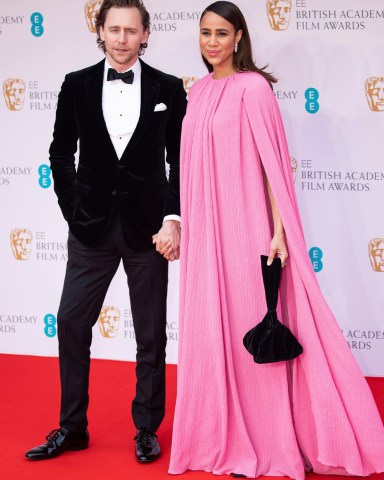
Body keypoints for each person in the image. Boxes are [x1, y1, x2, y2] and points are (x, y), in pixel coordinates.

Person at [169, 2, 384, 479]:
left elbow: (273, 162)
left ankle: (269, 439)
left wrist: (280, 230)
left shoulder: (254, 88)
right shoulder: (198, 91)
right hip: (206, 230)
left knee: (252, 321)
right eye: (205, 32)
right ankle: (213, 437)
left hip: (247, 223)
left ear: (239, 38)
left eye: (222, 33)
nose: (211, 42)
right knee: (212, 326)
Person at [25, 0, 186, 463]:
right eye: (113, 29)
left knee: (151, 333)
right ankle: (72, 426)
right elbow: (60, 152)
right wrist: (73, 210)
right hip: (90, 228)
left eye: (130, 31)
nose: (121, 39)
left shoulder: (169, 89)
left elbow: (180, 161)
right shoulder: (75, 85)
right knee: (73, 323)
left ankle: (146, 429)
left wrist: (172, 219)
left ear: (145, 34)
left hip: (149, 230)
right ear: (100, 31)